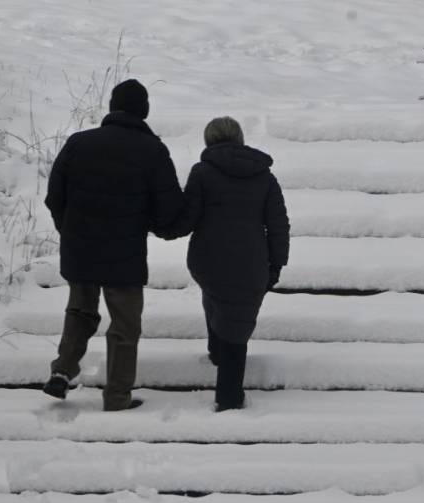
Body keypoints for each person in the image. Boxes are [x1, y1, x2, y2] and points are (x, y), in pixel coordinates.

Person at [43, 79, 185, 411]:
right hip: (125, 255)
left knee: (79, 311)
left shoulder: (78, 143)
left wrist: (71, 230)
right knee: (124, 325)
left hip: (80, 248)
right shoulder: (152, 151)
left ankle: (62, 372)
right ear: (144, 111)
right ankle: (117, 396)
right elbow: (168, 210)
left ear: (111, 107)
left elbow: (54, 197)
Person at [164, 116, 289, 411]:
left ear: (209, 141)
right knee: (237, 320)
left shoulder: (202, 173)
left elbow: (188, 218)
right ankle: (229, 396)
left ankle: (217, 352)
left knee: (218, 299)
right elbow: (278, 225)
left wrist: (161, 223)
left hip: (207, 259)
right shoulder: (265, 177)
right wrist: (277, 264)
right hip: (251, 262)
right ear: (240, 139)